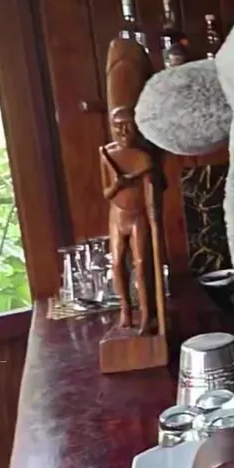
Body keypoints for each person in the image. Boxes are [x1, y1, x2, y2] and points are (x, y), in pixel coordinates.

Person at [99, 107, 157, 334]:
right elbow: (106, 192)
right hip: (117, 215)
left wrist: (153, 213)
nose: (123, 131)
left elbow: (152, 190)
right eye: (117, 126)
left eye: (128, 126)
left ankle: (146, 313)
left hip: (137, 216)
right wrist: (117, 185)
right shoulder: (106, 154)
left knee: (141, 264)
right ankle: (125, 310)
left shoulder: (144, 157)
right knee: (116, 262)